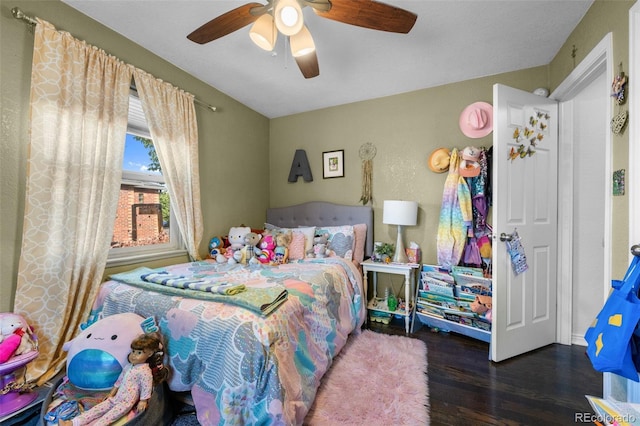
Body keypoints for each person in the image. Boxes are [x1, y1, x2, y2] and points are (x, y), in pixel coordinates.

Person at [60, 332, 168, 426]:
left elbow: (146, 387)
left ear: (149, 354)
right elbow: (119, 381)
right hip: (116, 398)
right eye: (133, 351)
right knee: (96, 409)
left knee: (107, 417)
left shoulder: (145, 371)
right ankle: (73, 422)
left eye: (139, 353)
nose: (134, 355)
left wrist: (143, 401)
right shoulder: (128, 366)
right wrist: (112, 393)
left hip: (126, 402)